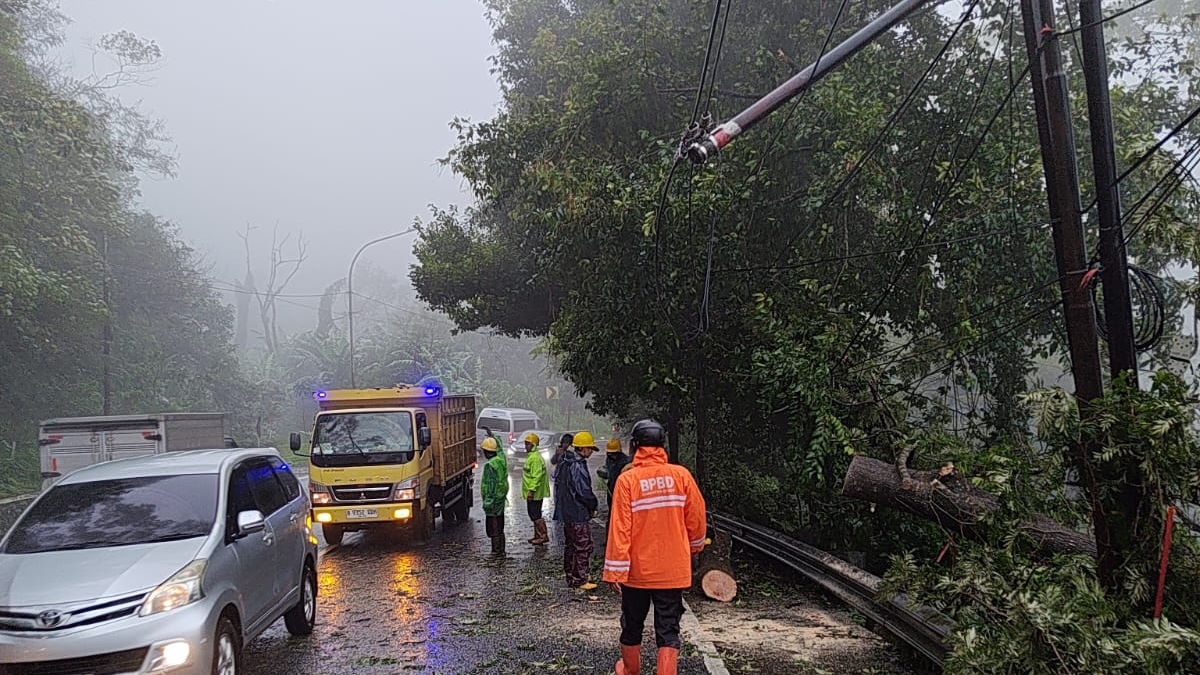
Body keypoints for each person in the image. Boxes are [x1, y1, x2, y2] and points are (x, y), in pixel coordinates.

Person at [603, 419, 707, 675]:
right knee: (668, 629)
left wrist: (615, 571)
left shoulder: (628, 481)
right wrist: (694, 547)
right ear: (662, 446)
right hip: (673, 572)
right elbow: (696, 519)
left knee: (632, 625)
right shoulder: (681, 476)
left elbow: (619, 529)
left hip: (637, 573)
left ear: (635, 446)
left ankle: (629, 670)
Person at [553, 430, 599, 590]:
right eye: (590, 448)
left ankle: (571, 575)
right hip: (577, 511)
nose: (591, 452)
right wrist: (593, 504)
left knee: (571, 544)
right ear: (583, 448)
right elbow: (583, 491)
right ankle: (580, 579)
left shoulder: (565, 461)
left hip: (566, 510)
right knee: (583, 544)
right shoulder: (577, 465)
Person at [479, 432, 508, 557]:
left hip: (494, 502)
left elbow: (491, 485)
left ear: (486, 452)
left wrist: (488, 503)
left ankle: (496, 551)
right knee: (500, 525)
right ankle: (501, 549)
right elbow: (500, 450)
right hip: (501, 499)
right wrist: (494, 437)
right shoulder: (500, 460)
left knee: (493, 527)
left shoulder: (490, 465)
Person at [521, 433, 550, 545]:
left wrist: (531, 491)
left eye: (528, 444)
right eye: (525, 444)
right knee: (533, 513)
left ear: (533, 445)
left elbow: (536, 476)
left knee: (535, 514)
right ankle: (537, 535)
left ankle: (543, 535)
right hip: (534, 492)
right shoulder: (532, 457)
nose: (526, 446)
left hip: (535, 493)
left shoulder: (535, 459)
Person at [596, 437, 631, 513]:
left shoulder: (625, 462)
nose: (612, 455)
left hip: (621, 492)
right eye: (610, 453)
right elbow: (609, 472)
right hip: (611, 490)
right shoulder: (609, 459)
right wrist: (604, 473)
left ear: (618, 452)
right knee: (612, 510)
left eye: (614, 453)